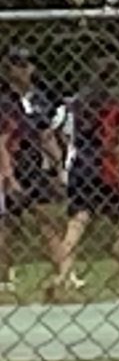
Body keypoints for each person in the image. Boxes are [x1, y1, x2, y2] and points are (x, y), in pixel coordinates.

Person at [51, 71, 119, 296]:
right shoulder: (111, 108)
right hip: (104, 169)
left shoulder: (71, 109)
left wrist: (64, 145)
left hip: (79, 167)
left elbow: (54, 127)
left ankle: (63, 276)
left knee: (76, 224)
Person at [2, 46, 63, 297]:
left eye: (28, 64)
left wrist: (59, 166)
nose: (26, 70)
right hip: (11, 163)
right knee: (7, 224)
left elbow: (46, 135)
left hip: (33, 165)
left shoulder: (39, 99)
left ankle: (63, 272)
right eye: (20, 65)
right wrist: (9, 176)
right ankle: (4, 275)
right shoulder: (5, 101)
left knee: (48, 219)